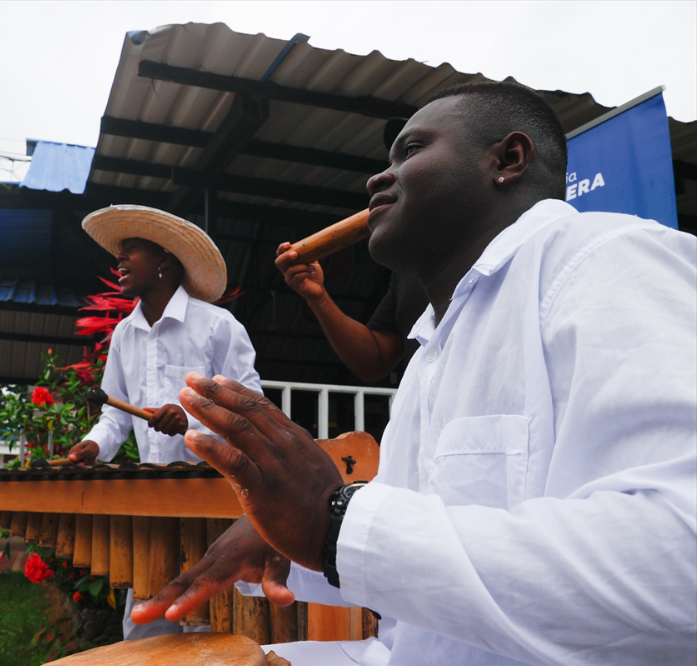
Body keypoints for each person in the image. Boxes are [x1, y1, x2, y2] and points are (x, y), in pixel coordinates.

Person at [130, 82, 697, 666]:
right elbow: (421, 590)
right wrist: (302, 550)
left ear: (507, 160)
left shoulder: (608, 259)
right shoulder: (429, 350)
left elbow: (680, 570)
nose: (379, 177)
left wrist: (339, 523)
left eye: (412, 150)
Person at [67, 204, 262, 640]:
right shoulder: (124, 334)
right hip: (153, 499)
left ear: (165, 260)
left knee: (216, 625)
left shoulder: (217, 326)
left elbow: (251, 410)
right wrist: (94, 445)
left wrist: (196, 417)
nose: (118, 260)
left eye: (130, 249)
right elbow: (115, 414)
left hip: (214, 496)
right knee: (146, 629)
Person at [275, 124, 428, 384]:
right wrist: (318, 296)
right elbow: (375, 360)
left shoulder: (516, 255)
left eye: (412, 152)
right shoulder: (409, 270)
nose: (378, 178)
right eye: (392, 160)